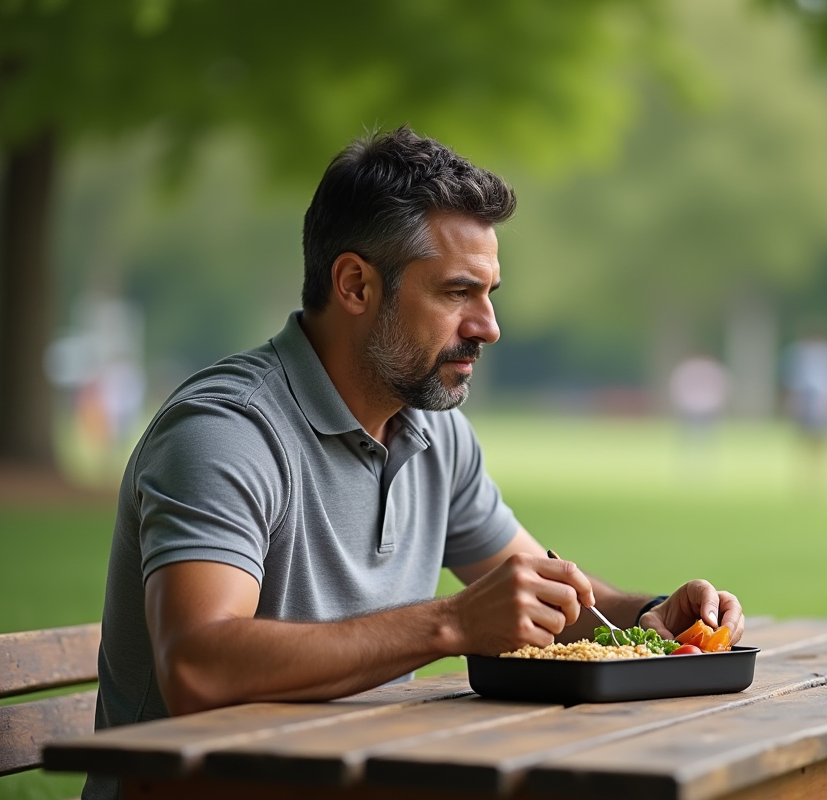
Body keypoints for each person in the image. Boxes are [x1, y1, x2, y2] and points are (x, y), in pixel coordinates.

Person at [84, 127, 744, 800]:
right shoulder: (227, 431)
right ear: (355, 285)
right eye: (458, 292)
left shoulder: (433, 431)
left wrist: (649, 616)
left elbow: (537, 596)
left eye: (489, 293)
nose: (488, 325)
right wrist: (450, 624)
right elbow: (199, 668)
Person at [780, 321, 827, 479]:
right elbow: (789, 383)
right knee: (805, 441)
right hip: (805, 403)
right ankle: (808, 473)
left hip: (826, 404)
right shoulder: (797, 354)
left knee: (823, 442)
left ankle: (819, 474)